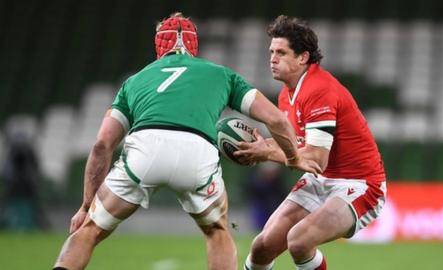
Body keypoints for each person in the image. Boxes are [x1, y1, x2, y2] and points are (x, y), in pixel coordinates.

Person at [52, 12, 321, 270]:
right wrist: (293, 158)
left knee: (90, 229)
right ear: (194, 45)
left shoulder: (134, 81)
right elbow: (276, 120)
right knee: (217, 231)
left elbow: (102, 145)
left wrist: (86, 206)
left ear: (159, 45)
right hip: (197, 151)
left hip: (146, 148)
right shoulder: (221, 74)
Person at [235, 15, 387, 270]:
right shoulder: (288, 93)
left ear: (303, 57)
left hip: (359, 185)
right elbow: (297, 145)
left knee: (299, 240)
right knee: (262, 247)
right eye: (271, 51)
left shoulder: (319, 89)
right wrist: (258, 147)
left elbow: (315, 159)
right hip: (321, 180)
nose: (273, 58)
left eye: (281, 52)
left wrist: (266, 153)